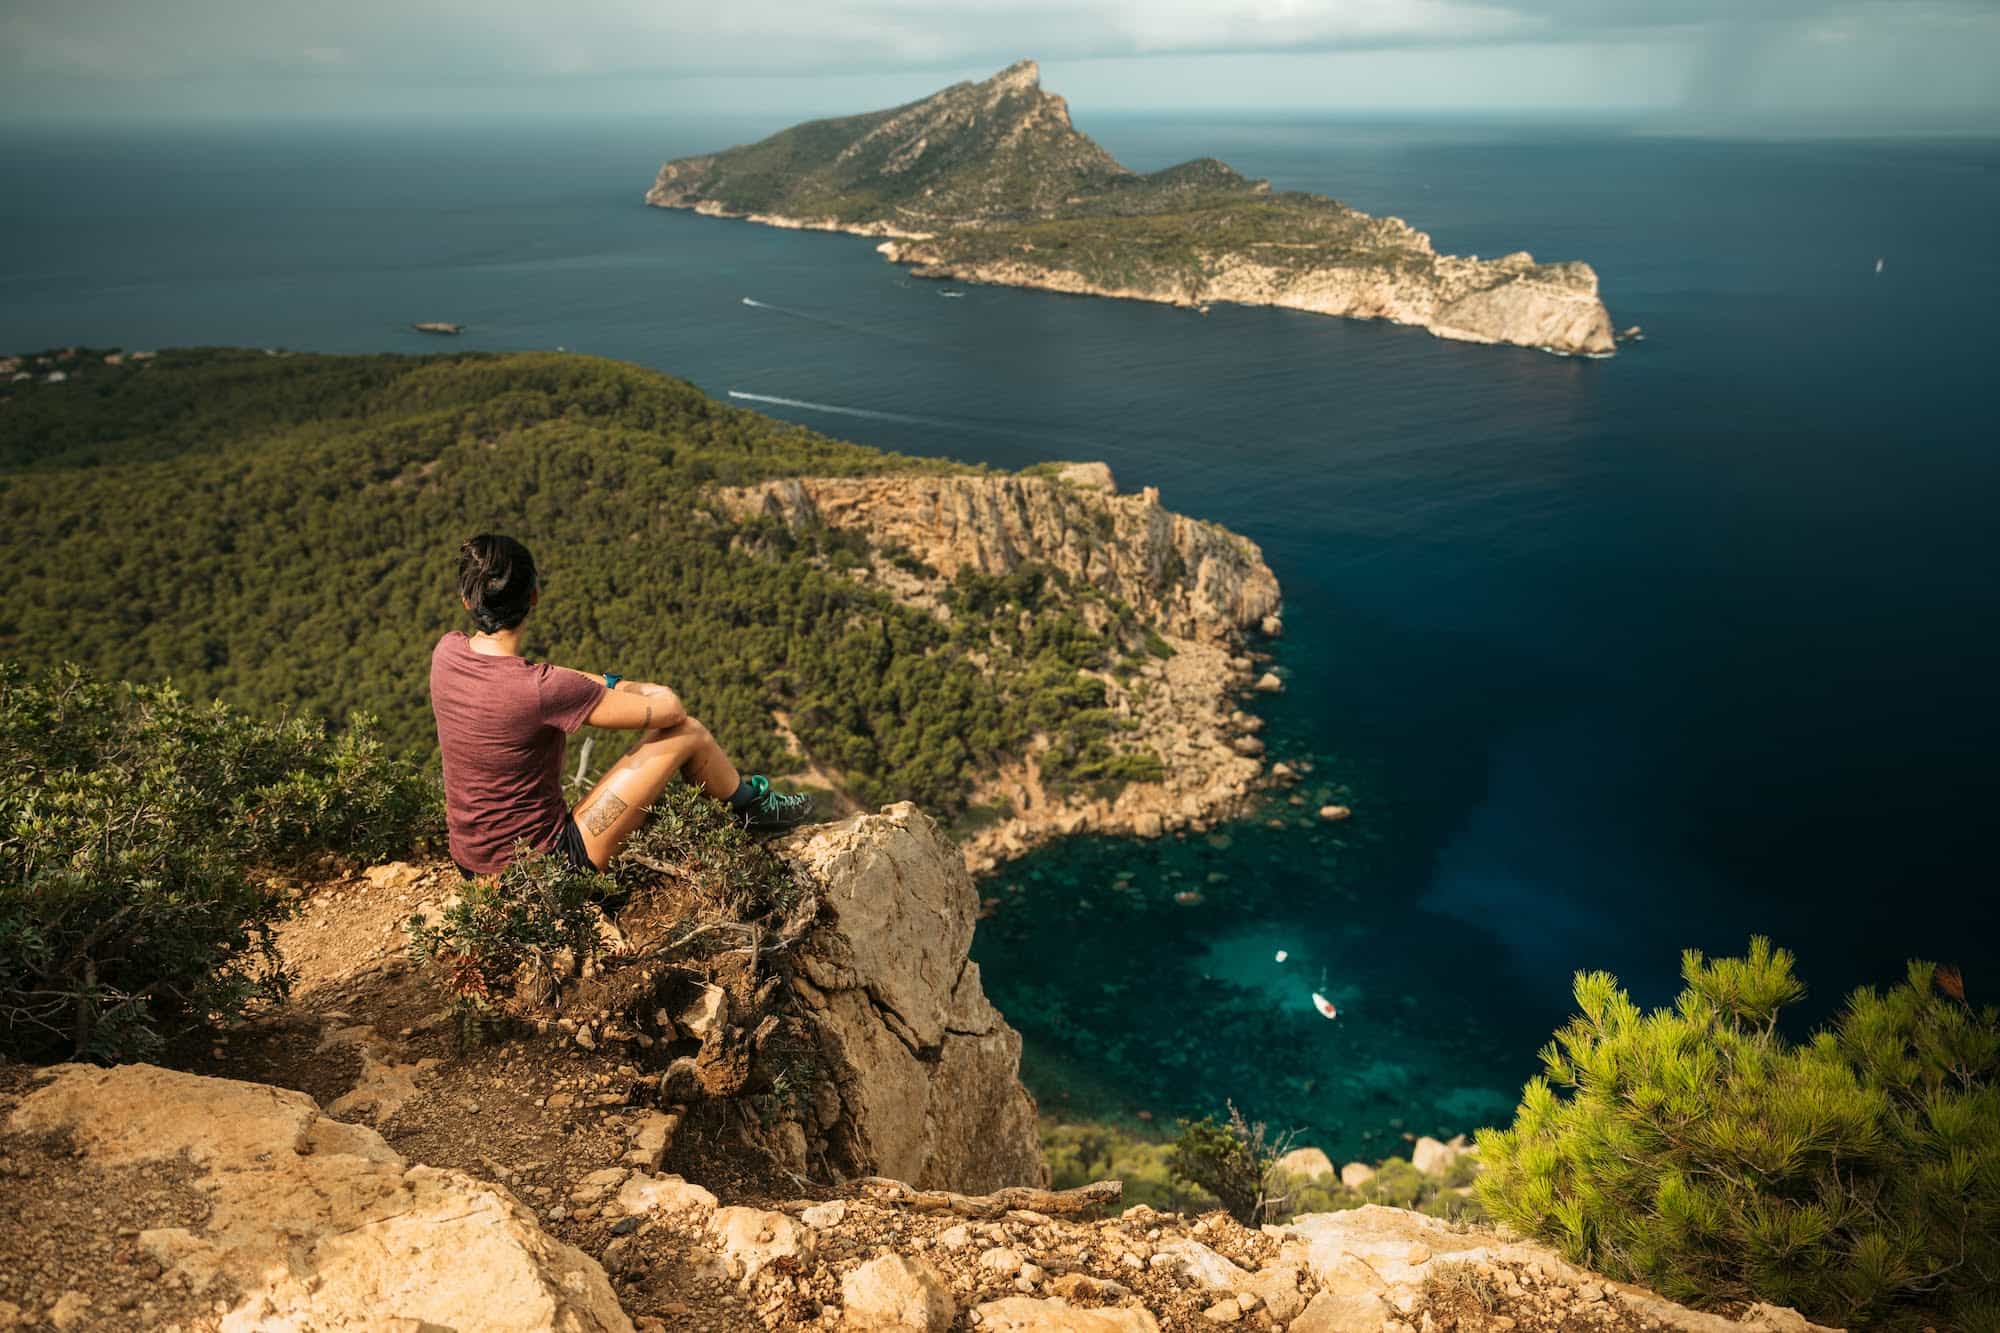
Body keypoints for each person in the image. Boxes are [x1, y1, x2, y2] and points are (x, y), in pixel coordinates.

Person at [429, 533, 815, 878]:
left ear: (468, 601)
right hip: (547, 866)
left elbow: (537, 679)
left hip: (471, 863)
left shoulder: (447, 652)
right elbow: (671, 710)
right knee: (687, 733)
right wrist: (627, 686)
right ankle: (754, 808)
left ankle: (749, 806)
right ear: (534, 597)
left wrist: (600, 684)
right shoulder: (543, 689)